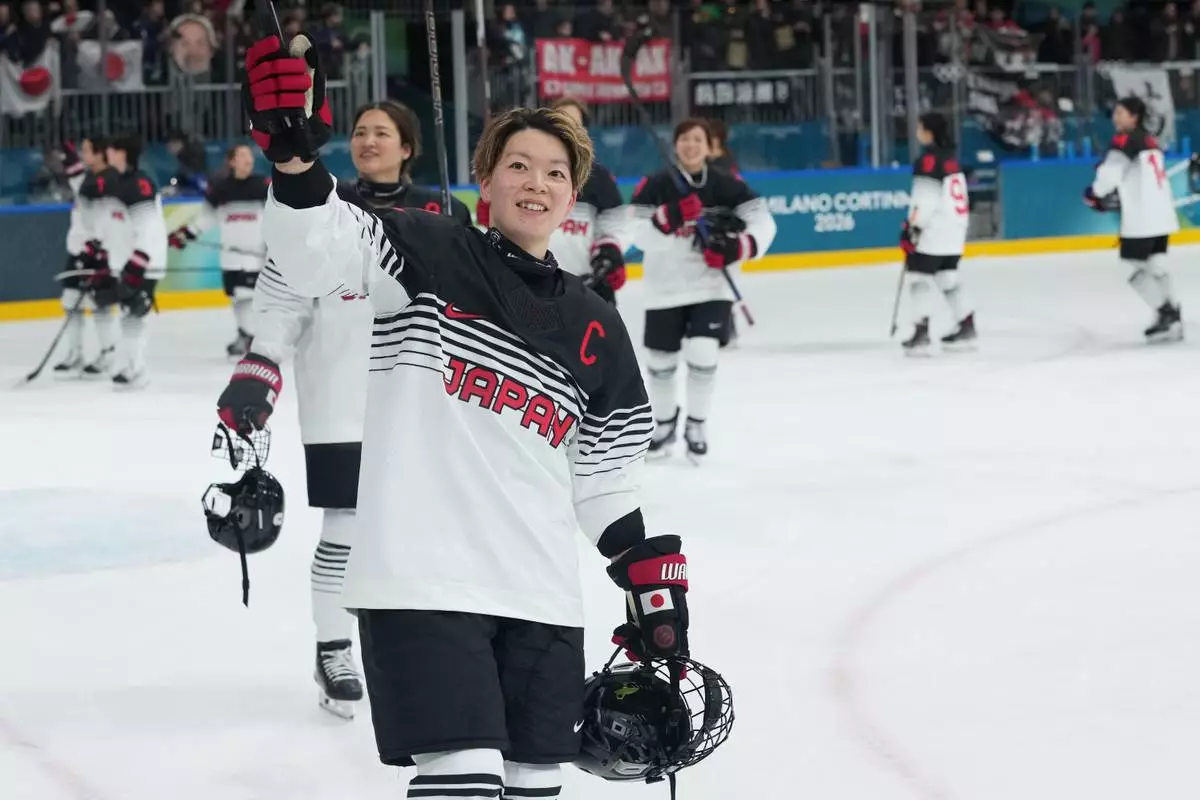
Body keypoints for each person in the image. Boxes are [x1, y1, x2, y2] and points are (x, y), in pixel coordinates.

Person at [240, 32, 686, 800]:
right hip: (424, 580)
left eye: (556, 172)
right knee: (463, 781)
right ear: (485, 178)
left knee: (533, 787)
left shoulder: (596, 326)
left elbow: (604, 477)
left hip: (540, 591)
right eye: (518, 165)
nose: (537, 183)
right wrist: (293, 160)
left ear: (573, 196)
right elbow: (317, 252)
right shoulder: (427, 253)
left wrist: (646, 576)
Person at [215, 99, 471, 720]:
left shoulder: (445, 211)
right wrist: (260, 366)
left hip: (427, 394)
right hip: (340, 391)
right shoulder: (319, 205)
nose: (368, 141)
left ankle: (414, 650)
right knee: (347, 529)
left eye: (382, 132)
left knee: (424, 530)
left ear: (408, 147)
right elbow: (282, 296)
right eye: (359, 132)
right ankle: (333, 649)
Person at [630, 118, 776, 463]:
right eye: (684, 139)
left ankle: (697, 424)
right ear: (675, 145)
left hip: (711, 287)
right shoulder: (655, 184)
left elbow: (764, 223)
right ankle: (664, 424)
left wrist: (738, 247)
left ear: (710, 146)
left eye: (698, 139)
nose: (691, 145)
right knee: (660, 360)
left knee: (703, 351)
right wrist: (665, 220)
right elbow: (635, 234)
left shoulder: (728, 184)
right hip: (665, 287)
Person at [475, 96, 631, 304]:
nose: (538, 185)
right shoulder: (519, 179)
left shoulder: (601, 180)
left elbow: (614, 226)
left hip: (585, 289)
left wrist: (609, 253)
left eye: (576, 124)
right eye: (563, 120)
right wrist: (494, 212)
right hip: (526, 285)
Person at [1085, 96, 1182, 342]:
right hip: (1162, 214)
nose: (1116, 117)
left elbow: (1110, 175)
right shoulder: (1150, 140)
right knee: (1156, 266)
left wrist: (1094, 193)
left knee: (1131, 266)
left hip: (1142, 218)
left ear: (1134, 117)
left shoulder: (1124, 140)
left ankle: (1166, 313)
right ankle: (1172, 316)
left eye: (1121, 113)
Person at [169, 143, 270, 357]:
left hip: (255, 255)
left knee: (248, 296)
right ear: (232, 161)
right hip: (230, 256)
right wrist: (185, 234)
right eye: (243, 155)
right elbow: (206, 218)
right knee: (236, 297)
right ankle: (245, 334)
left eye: (250, 155)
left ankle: (253, 337)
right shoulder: (220, 188)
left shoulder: (263, 185)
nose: (249, 159)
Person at [900, 111, 974, 355]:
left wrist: (913, 228)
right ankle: (966, 326)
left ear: (928, 132)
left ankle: (921, 333)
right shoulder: (952, 160)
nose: (917, 132)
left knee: (918, 278)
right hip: (955, 230)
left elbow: (925, 199)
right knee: (947, 277)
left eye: (920, 127)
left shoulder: (929, 162)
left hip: (934, 231)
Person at [99, 134, 168, 389]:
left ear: (121, 153)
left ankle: (135, 370)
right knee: (128, 315)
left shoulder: (140, 183)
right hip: (124, 262)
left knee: (134, 314)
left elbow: (148, 229)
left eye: (111, 149)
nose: (107, 153)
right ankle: (128, 367)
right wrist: (102, 251)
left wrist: (137, 264)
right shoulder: (116, 181)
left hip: (142, 264)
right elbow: (115, 224)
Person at [53, 136, 120, 377]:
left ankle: (107, 354)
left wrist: (102, 247)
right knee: (71, 301)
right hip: (77, 251)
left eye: (87, 151)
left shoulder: (111, 181)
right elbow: (75, 177)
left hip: (99, 253)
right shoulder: (88, 179)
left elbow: (113, 218)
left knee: (100, 304)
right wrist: (68, 157)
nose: (83, 156)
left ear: (101, 153)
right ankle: (75, 353)